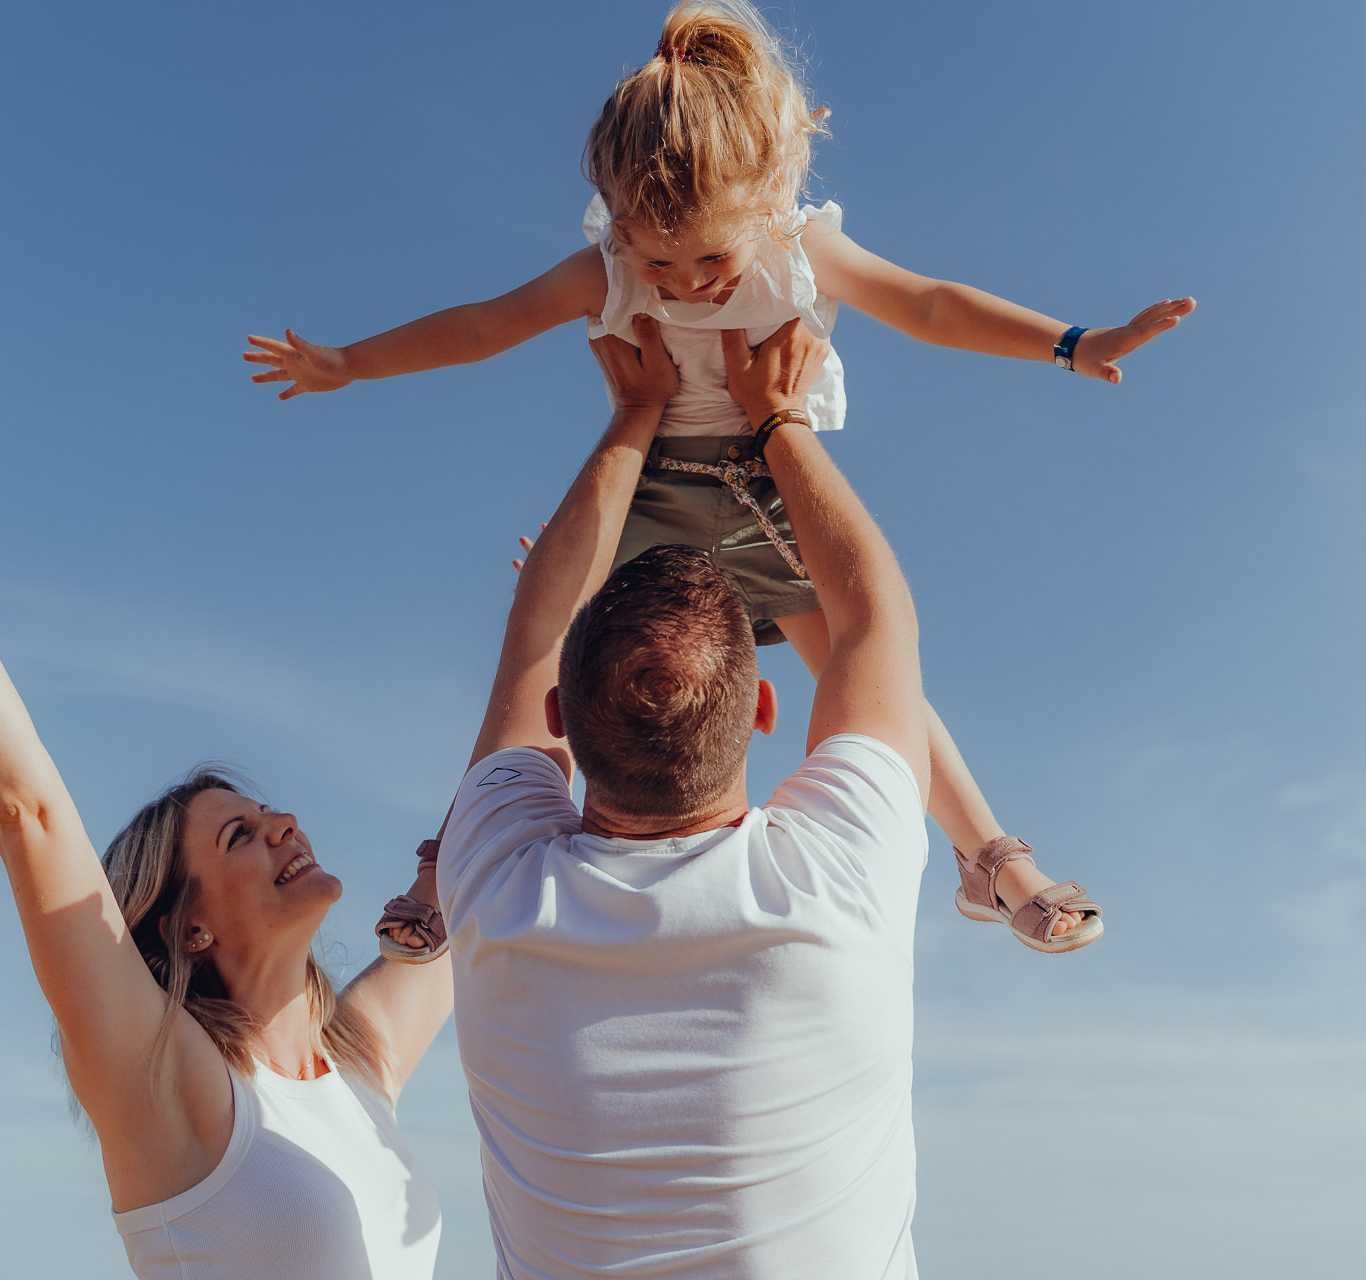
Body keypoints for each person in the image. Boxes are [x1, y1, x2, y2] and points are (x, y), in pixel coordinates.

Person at [247, 0, 1177, 953]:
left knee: (864, 664)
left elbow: (930, 306)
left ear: (769, 201)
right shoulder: (608, 270)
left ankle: (989, 859)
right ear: (617, 226)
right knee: (546, 658)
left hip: (760, 484)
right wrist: (349, 363)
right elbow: (486, 325)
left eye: (710, 257)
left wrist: (1072, 344)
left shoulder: (801, 252)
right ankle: (451, 865)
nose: (686, 283)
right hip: (644, 483)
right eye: (659, 259)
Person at [0, 384, 450, 1280]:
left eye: (262, 818)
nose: (285, 824)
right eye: (241, 837)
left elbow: (504, 800)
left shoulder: (359, 1064)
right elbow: (30, 819)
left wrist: (584, 622)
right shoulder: (170, 1086)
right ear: (187, 927)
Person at [436, 314, 957, 1277]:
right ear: (762, 706)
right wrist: (775, 419)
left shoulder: (495, 884)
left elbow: (532, 627)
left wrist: (636, 414)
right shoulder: (837, 882)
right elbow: (873, 615)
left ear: (562, 714)